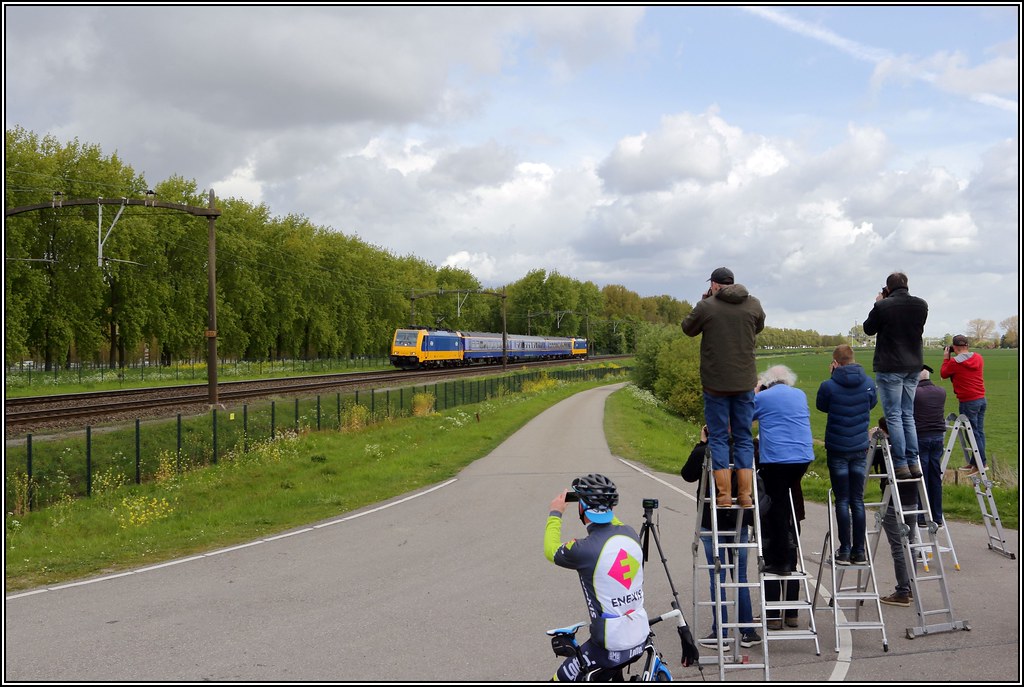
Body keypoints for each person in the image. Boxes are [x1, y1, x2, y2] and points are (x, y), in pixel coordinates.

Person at [544, 473, 650, 681]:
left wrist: (555, 512)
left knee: (558, 679)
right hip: (639, 636)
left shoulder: (583, 550)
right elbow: (613, 525)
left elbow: (550, 550)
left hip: (608, 646)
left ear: (582, 507)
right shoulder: (631, 534)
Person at [681, 267, 766, 509]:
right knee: (743, 436)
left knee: (718, 437)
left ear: (715, 285)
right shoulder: (754, 304)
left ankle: (724, 495)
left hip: (716, 384)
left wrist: (704, 301)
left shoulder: (708, 306)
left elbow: (688, 328)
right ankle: (746, 495)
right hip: (744, 383)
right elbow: (758, 327)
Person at [680, 426, 761, 649]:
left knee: (717, 576)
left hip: (711, 520)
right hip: (739, 520)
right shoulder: (745, 450)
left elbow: (687, 475)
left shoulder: (706, 451)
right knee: (741, 576)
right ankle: (747, 631)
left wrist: (701, 443)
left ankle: (721, 633)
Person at [862, 272, 928, 480]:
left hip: (890, 366)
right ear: (907, 285)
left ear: (888, 288)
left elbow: (868, 329)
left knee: (894, 416)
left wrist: (879, 303)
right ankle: (913, 461)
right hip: (913, 366)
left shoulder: (883, 306)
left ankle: (900, 463)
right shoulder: (921, 305)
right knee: (907, 414)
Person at [816, 344, 878, 566]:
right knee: (857, 499)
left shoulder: (829, 386)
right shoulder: (869, 383)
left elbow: (822, 406)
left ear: (835, 362)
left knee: (842, 499)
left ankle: (844, 549)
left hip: (837, 448)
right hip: (860, 447)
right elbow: (872, 404)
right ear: (853, 359)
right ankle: (860, 551)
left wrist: (833, 378)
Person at [752, 365, 815, 577]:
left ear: (767, 381)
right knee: (786, 500)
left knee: (777, 506)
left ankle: (781, 560)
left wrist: (756, 393)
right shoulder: (799, 394)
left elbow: (746, 417)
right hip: (802, 458)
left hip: (777, 459)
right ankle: (790, 546)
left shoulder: (764, 397)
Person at [870, 419, 917, 607]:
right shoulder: (910, 446)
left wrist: (872, 439)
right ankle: (911, 586)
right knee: (910, 544)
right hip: (913, 500)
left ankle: (902, 591)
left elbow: (869, 460)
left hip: (892, 502)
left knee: (898, 547)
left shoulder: (885, 449)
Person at [940, 334, 987, 474]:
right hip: (981, 399)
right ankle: (975, 462)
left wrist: (946, 358)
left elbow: (943, 373)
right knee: (979, 432)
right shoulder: (978, 357)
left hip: (968, 401)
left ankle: (981, 462)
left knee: (971, 433)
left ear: (954, 347)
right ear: (967, 345)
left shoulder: (955, 362)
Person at [914, 364, 948, 526]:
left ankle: (922, 516)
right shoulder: (941, 392)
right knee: (935, 477)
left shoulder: (915, 393)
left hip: (921, 437)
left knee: (922, 477)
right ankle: (937, 516)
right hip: (937, 438)